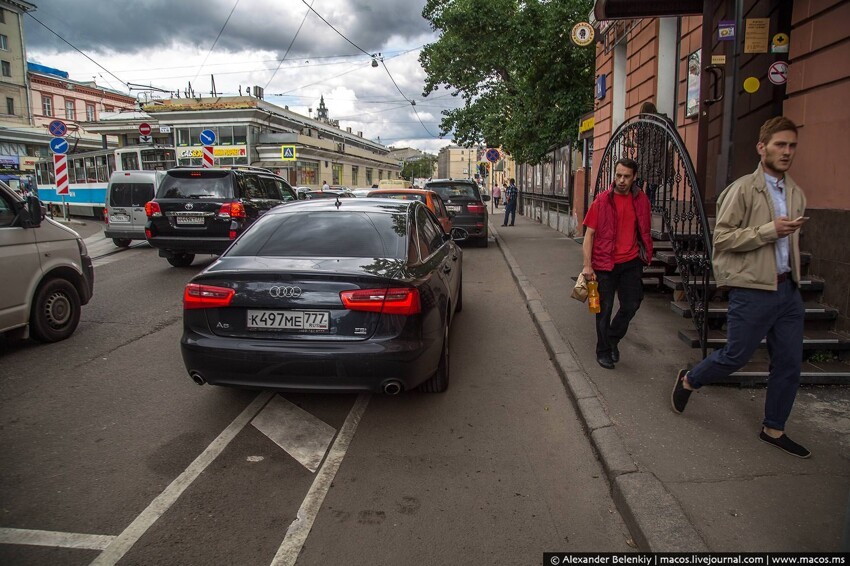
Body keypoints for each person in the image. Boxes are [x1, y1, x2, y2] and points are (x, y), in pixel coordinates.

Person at [670, 116, 810, 458]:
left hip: (787, 290)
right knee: (736, 355)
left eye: (792, 145)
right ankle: (690, 379)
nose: (787, 151)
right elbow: (722, 239)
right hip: (752, 290)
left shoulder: (795, 192)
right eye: (780, 144)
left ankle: (774, 427)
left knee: (790, 362)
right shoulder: (743, 189)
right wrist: (768, 231)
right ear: (762, 147)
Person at [581, 158, 653, 370]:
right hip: (604, 264)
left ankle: (611, 339)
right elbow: (589, 234)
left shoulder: (641, 201)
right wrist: (587, 265)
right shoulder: (602, 201)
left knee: (631, 305)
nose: (622, 180)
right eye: (619, 175)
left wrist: (645, 253)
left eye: (627, 176)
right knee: (603, 309)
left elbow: (644, 230)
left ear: (634, 177)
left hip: (631, 263)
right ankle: (603, 351)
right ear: (614, 175)